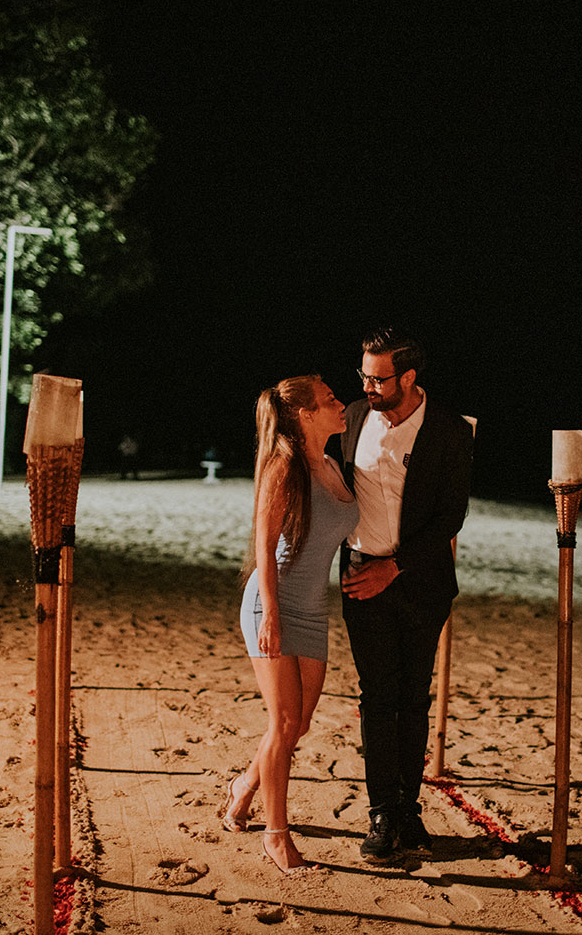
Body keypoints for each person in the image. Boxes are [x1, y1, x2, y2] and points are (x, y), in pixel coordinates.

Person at [338, 327, 473, 862]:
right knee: (376, 696)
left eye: (378, 378)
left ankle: (408, 809)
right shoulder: (352, 418)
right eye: (364, 375)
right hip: (359, 577)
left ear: (409, 377)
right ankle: (380, 812)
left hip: (421, 581)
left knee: (415, 696)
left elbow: (450, 516)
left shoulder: (449, 429)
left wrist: (394, 568)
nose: (367, 386)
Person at [221, 374, 356, 875]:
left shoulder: (334, 466)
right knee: (282, 722)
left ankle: (242, 787)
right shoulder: (284, 465)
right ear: (306, 414)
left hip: (313, 607)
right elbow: (264, 543)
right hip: (271, 602)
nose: (341, 405)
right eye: (330, 400)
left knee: (298, 724)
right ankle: (276, 836)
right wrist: (272, 615)